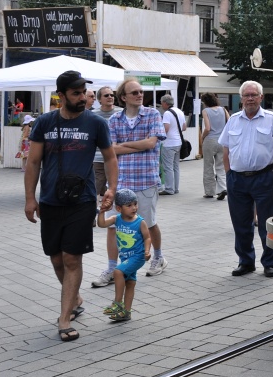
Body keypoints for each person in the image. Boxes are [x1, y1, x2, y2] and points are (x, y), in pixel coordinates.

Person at [23, 70, 117, 342]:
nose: (82, 98)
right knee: (55, 258)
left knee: (72, 258)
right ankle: (74, 297)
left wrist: (110, 188)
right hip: (51, 199)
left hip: (83, 199)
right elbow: (33, 162)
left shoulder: (96, 123)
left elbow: (110, 158)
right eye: (75, 93)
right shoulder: (45, 122)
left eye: (83, 93)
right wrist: (31, 197)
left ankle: (65, 318)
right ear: (61, 95)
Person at [109, 80, 168, 278]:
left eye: (141, 91)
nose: (140, 95)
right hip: (121, 181)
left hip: (145, 180)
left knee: (149, 223)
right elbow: (111, 149)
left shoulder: (152, 114)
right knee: (114, 225)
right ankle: (111, 268)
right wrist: (138, 145)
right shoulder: (115, 120)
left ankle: (158, 257)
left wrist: (123, 146)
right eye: (134, 92)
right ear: (123, 97)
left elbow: (151, 143)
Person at [219, 80, 273, 277]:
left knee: (266, 223)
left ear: (261, 97)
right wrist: (228, 174)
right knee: (241, 224)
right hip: (237, 179)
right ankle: (246, 262)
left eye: (254, 95)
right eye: (247, 95)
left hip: (264, 178)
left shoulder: (272, 119)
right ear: (241, 98)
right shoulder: (233, 120)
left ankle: (269, 263)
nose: (250, 98)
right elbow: (225, 149)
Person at [96, 188, 150, 322]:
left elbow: (147, 237)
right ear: (119, 209)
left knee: (118, 272)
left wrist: (147, 251)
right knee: (130, 283)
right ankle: (126, 312)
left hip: (137, 257)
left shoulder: (140, 222)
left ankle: (117, 303)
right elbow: (101, 224)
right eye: (129, 205)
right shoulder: (117, 219)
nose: (134, 208)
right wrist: (102, 211)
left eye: (135, 204)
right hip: (126, 258)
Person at [90, 86, 124, 288]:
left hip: (116, 159)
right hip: (96, 159)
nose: (110, 98)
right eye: (106, 95)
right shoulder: (94, 116)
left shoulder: (120, 113)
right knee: (95, 190)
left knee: (113, 193)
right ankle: (95, 217)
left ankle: (108, 216)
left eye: (112, 95)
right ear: (100, 99)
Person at [200, 93, 229, 200]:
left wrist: (202, 137)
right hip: (222, 140)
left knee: (208, 166)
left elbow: (208, 128)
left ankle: (209, 191)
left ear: (205, 102)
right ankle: (222, 188)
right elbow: (230, 123)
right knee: (221, 166)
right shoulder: (223, 109)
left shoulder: (205, 111)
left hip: (210, 140)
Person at [158, 94, 186, 195]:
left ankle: (169, 188)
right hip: (178, 142)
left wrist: (158, 137)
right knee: (176, 166)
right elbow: (184, 127)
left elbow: (166, 128)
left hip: (169, 143)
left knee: (167, 167)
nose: (161, 106)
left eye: (162, 104)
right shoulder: (180, 111)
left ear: (165, 103)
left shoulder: (167, 114)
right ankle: (176, 188)